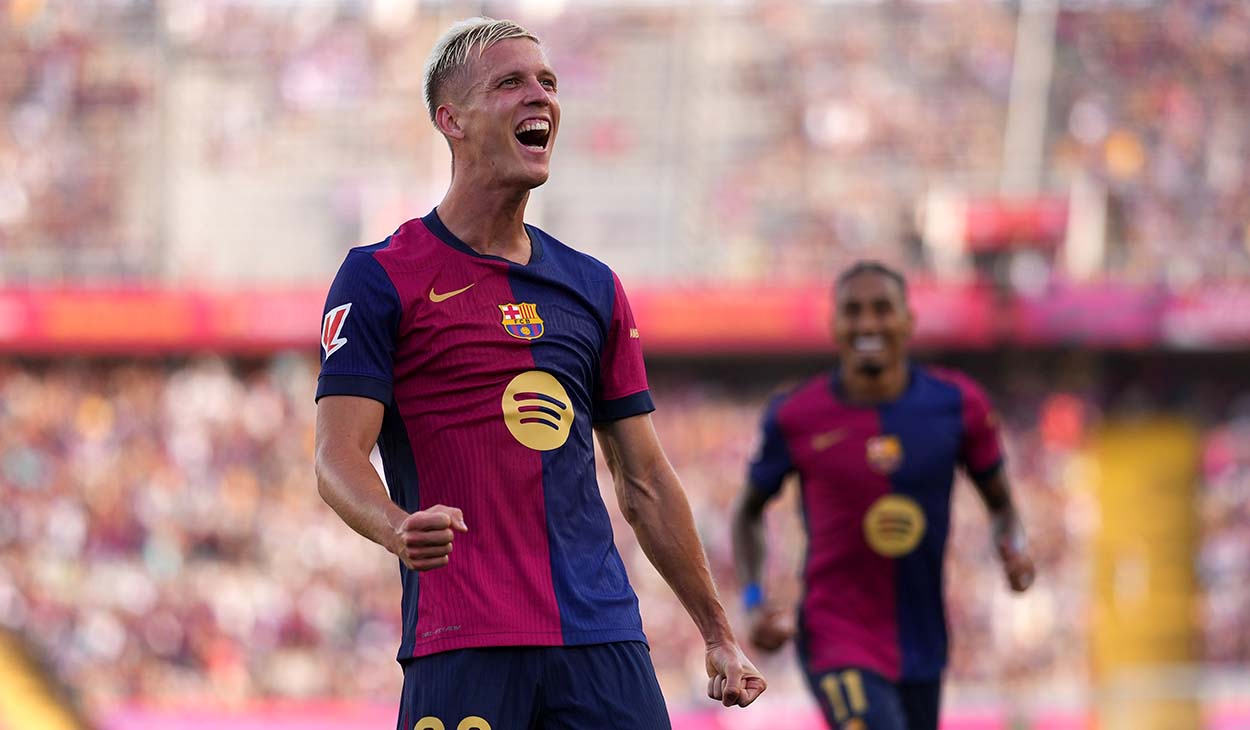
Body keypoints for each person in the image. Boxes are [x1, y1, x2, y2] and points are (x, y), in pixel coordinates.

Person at [313, 17, 765, 730]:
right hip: (463, 642)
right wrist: (397, 527)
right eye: (511, 83)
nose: (541, 97)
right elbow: (336, 458)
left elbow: (643, 479)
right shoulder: (380, 277)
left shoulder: (592, 287)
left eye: (549, 83)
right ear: (450, 119)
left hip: (602, 642)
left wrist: (716, 633)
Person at [731, 261, 1034, 730]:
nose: (867, 323)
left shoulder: (957, 405)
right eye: (853, 311)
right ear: (834, 324)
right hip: (836, 634)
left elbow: (1002, 505)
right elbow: (747, 512)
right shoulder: (797, 415)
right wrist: (752, 602)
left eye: (881, 309)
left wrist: (1014, 549)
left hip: (923, 640)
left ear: (908, 321)